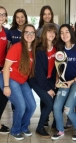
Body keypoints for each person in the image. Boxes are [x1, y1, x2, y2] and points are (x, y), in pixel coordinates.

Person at [0, 24, 36, 141]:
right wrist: (6, 86)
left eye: (32, 33)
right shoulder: (16, 47)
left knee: (32, 106)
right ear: (23, 34)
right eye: (27, 32)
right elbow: (6, 67)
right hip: (10, 79)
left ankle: (24, 127)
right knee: (21, 106)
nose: (29, 35)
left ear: (35, 35)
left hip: (22, 81)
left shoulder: (33, 50)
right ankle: (15, 130)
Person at [51, 24, 76, 141]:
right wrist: (57, 78)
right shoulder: (60, 49)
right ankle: (60, 130)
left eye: (66, 32)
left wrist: (72, 81)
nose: (64, 35)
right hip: (65, 82)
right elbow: (58, 67)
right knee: (56, 107)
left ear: (71, 33)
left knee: (68, 108)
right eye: (61, 32)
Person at [28, 23, 58, 138]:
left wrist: (55, 81)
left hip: (49, 79)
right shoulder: (39, 50)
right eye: (48, 31)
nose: (51, 34)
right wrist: (48, 89)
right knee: (49, 104)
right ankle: (40, 127)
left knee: (54, 100)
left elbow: (56, 67)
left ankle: (55, 123)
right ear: (44, 33)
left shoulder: (55, 48)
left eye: (53, 32)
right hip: (36, 80)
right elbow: (39, 73)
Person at [0, 5, 10, 134]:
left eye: (3, 14)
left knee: (5, 94)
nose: (1, 16)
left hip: (2, 68)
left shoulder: (6, 32)